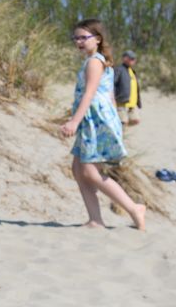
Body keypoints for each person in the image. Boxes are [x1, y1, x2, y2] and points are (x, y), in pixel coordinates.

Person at [59, 19, 146, 230]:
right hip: (93, 119)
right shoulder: (96, 61)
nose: (79, 41)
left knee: (89, 171)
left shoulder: (94, 62)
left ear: (97, 39)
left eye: (83, 37)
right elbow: (109, 95)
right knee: (79, 169)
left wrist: (74, 121)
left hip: (94, 121)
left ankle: (134, 208)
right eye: (76, 38)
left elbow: (89, 94)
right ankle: (95, 220)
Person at [113, 50, 142, 126]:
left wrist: (138, 102)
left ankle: (125, 135)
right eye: (130, 58)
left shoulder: (132, 71)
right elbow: (112, 84)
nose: (133, 61)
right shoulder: (119, 69)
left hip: (132, 104)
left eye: (134, 59)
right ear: (124, 59)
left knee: (135, 120)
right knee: (123, 123)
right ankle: (121, 135)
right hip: (121, 103)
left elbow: (136, 88)